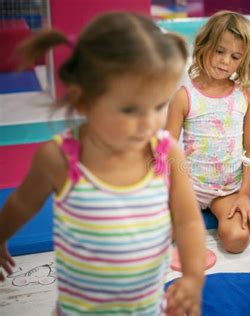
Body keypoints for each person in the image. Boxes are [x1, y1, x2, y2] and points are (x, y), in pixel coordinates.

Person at [0, 12, 206, 315]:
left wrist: (193, 277)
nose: (149, 122)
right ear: (83, 101)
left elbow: (188, 221)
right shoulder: (60, 158)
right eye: (130, 110)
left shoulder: (165, 153)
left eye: (159, 104)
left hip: (147, 308)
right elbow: (21, 204)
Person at [166, 11, 250, 254]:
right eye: (219, 51)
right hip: (189, 187)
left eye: (235, 56)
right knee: (158, 235)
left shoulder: (246, 97)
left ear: (243, 60)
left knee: (237, 239)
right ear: (204, 45)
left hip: (227, 190)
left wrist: (245, 196)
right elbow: (167, 147)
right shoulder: (184, 96)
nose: (225, 61)